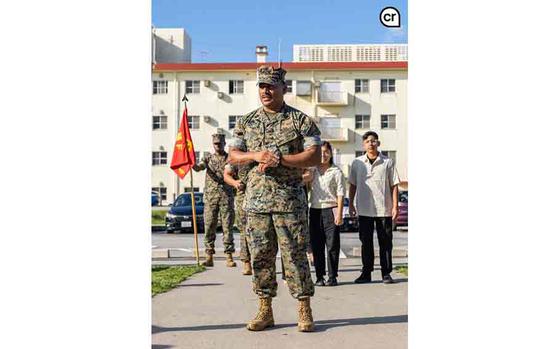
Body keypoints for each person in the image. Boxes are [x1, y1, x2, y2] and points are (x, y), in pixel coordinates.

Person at [228, 65, 321, 332]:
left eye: (271, 86)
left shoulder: (300, 120)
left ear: (284, 88)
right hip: (255, 203)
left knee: (294, 256)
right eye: (261, 86)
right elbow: (233, 156)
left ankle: (304, 308)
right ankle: (265, 309)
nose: (265, 91)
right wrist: (255, 155)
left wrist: (281, 159)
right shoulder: (246, 121)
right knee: (260, 257)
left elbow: (314, 156)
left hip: (288, 203)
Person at [348, 131, 400, 284]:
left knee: (385, 242)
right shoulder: (357, 163)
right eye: (367, 141)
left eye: (374, 140)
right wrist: (350, 204)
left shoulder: (388, 162)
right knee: (366, 243)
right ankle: (366, 272)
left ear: (378, 143)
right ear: (364, 144)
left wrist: (395, 206)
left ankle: (386, 273)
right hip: (364, 210)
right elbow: (352, 185)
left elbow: (394, 185)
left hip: (384, 209)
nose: (371, 143)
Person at [304, 141, 345, 287]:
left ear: (331, 153)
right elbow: (305, 181)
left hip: (331, 209)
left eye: (326, 151)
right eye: (321, 152)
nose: (324, 154)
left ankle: (333, 277)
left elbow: (341, 193)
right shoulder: (312, 170)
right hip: (315, 210)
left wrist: (339, 214)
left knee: (332, 245)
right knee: (317, 245)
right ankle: (319, 276)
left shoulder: (336, 171)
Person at [192, 133, 236, 268]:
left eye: (220, 143)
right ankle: (209, 255)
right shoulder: (208, 158)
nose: (218, 145)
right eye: (215, 143)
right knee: (209, 226)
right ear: (213, 144)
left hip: (226, 197)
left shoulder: (230, 159)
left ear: (224, 143)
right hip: (211, 199)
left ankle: (229, 256)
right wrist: (191, 163)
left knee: (227, 227)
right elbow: (198, 167)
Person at [223, 160, 253, 275]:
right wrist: (235, 183)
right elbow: (227, 174)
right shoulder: (240, 154)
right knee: (245, 231)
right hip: (243, 198)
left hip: (263, 196)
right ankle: (247, 262)